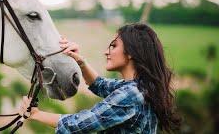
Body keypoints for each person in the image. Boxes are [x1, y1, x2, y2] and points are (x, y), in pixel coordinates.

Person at [19, 23, 181, 133]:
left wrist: (35, 114)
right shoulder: (141, 87)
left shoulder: (131, 94)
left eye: (114, 45)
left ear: (131, 52)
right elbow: (99, 85)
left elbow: (80, 124)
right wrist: (80, 61)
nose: (107, 51)